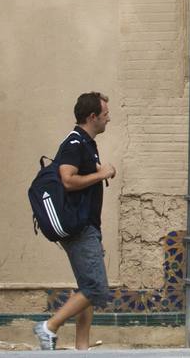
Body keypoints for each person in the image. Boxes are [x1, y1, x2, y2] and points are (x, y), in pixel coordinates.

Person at [35, 92, 117, 350]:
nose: (109, 118)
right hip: (80, 227)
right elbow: (68, 180)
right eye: (105, 114)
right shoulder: (75, 143)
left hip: (88, 224)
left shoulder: (87, 143)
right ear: (92, 117)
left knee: (87, 287)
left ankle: (82, 347)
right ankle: (49, 326)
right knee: (96, 289)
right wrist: (102, 173)